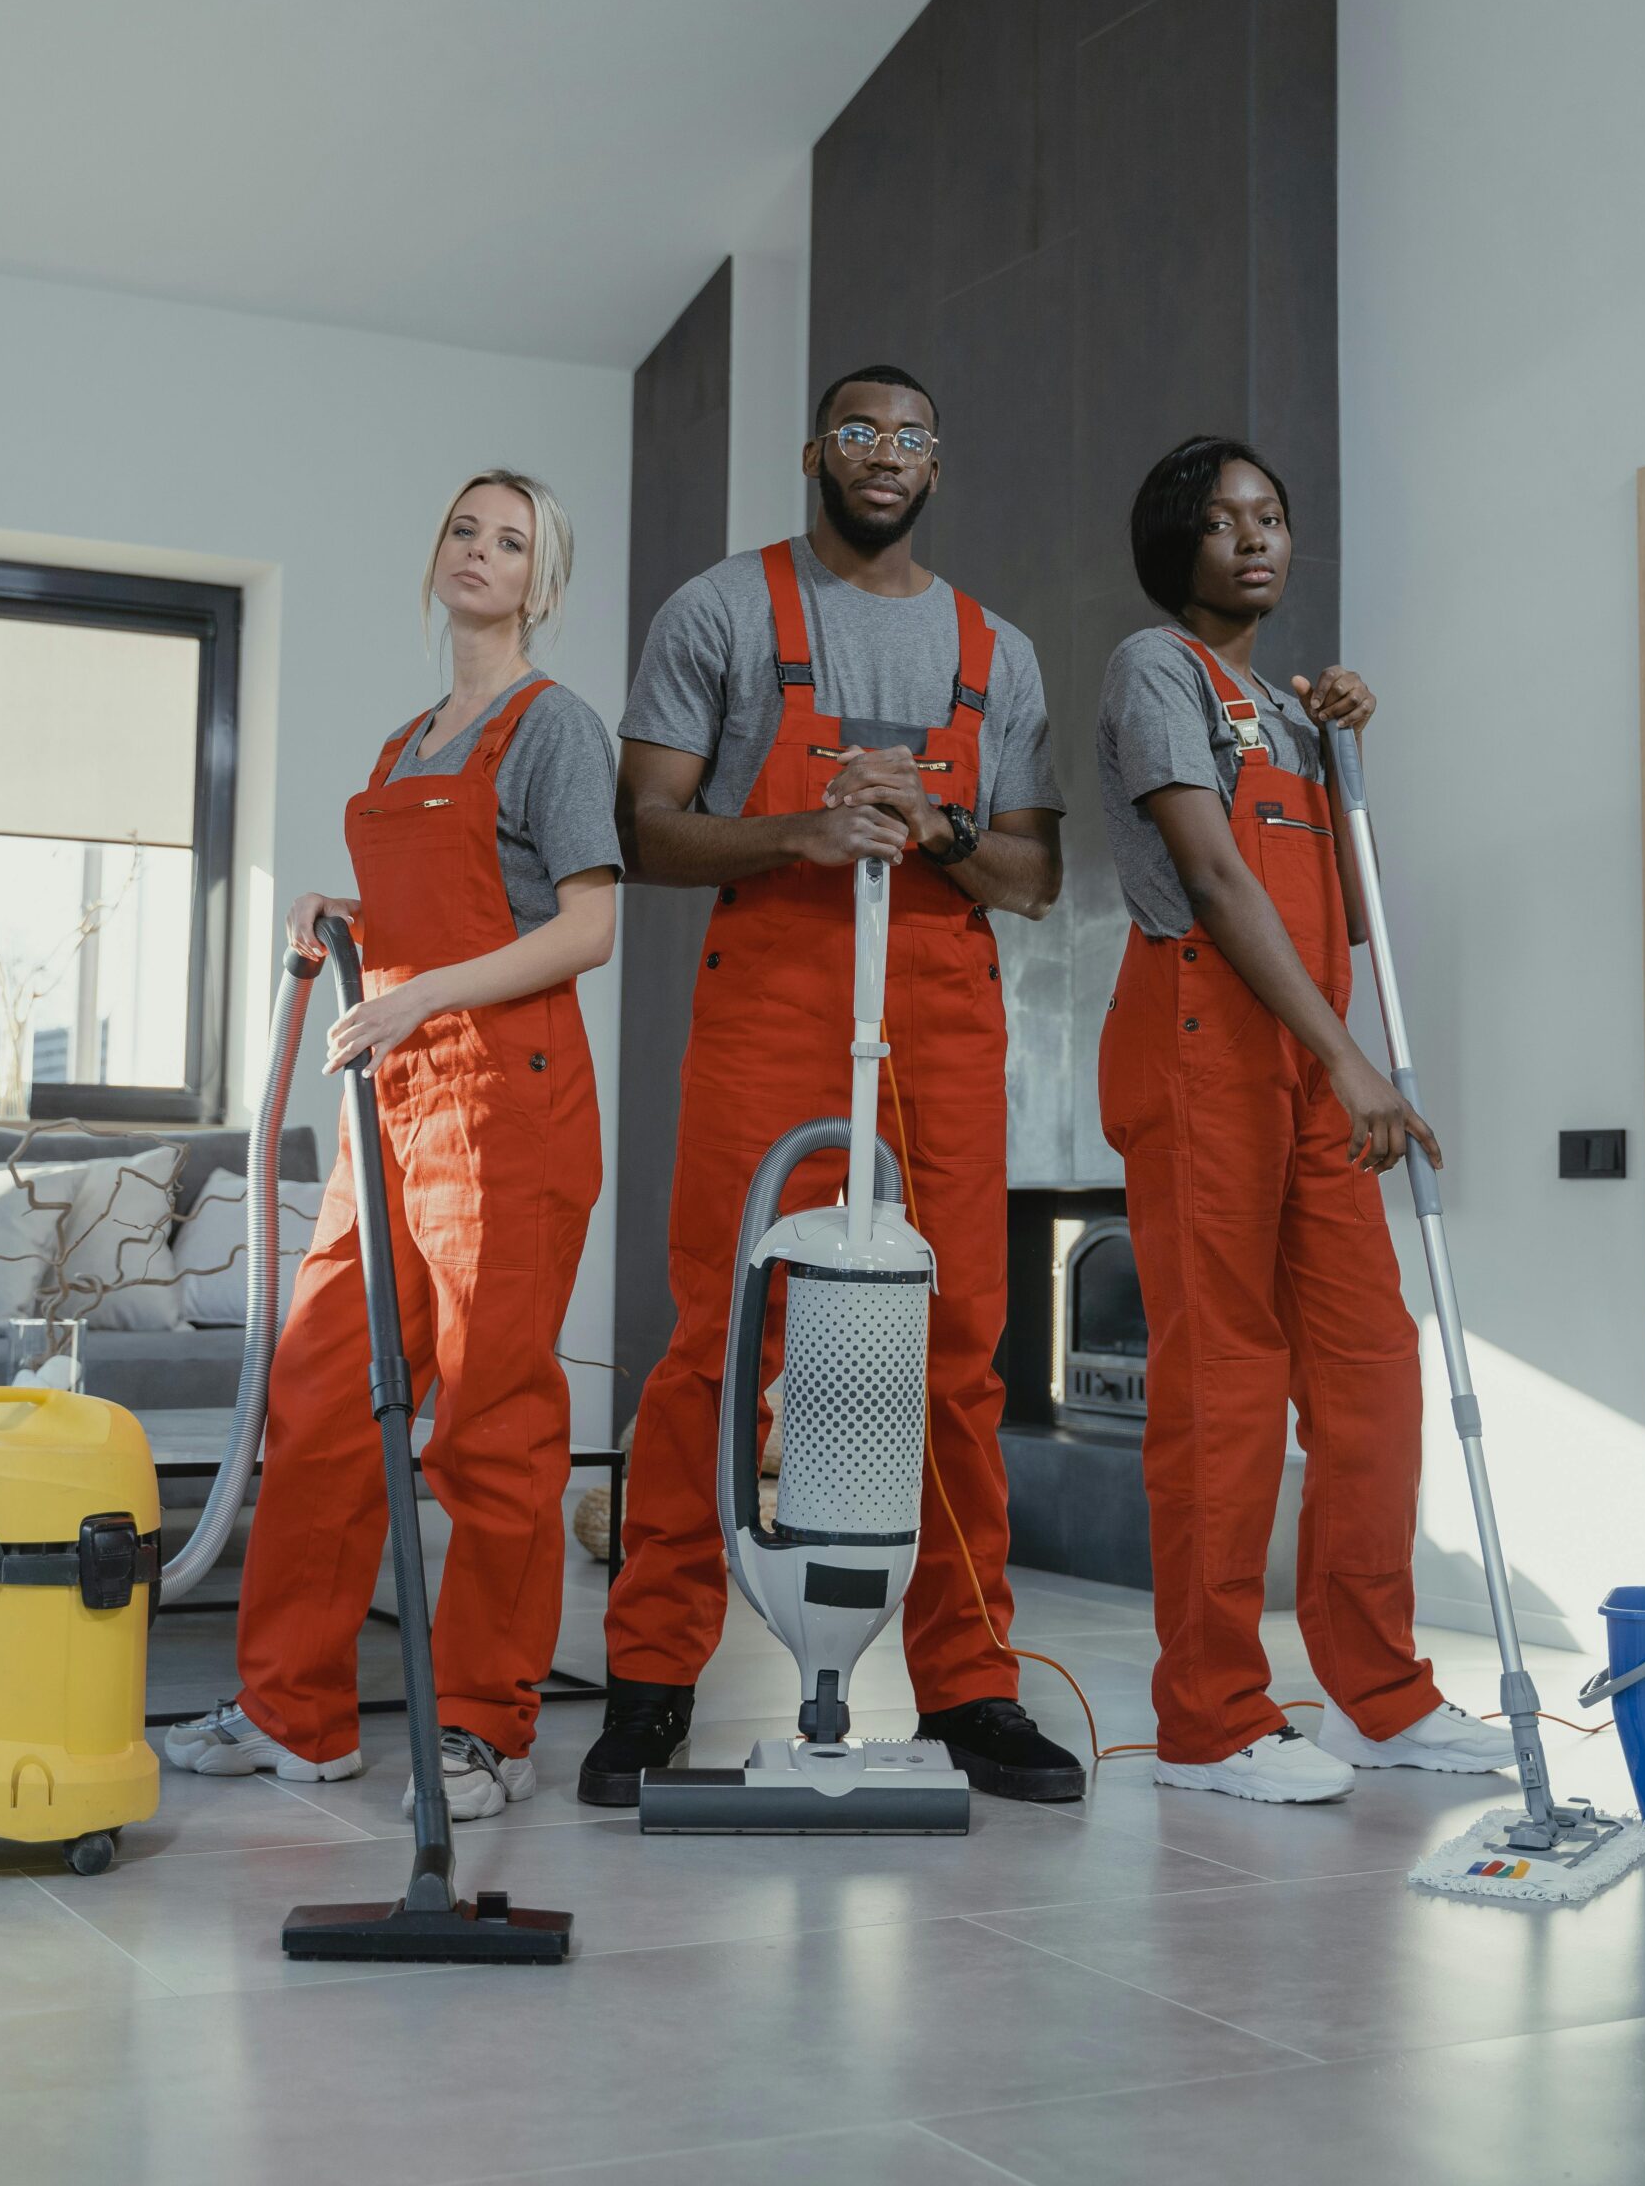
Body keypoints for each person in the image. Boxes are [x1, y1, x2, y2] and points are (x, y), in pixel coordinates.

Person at [579, 364, 1084, 1806]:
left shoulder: (1001, 649)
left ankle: (974, 1687)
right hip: (773, 997)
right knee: (716, 1336)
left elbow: (1037, 877)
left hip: (941, 1011)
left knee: (964, 1343)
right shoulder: (723, 611)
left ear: (939, 462)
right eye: (859, 431)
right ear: (816, 451)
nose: (885, 455)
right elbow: (650, 832)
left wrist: (936, 832)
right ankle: (653, 1682)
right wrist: (803, 830)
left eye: (912, 436)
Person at [167, 470, 619, 1820]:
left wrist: (418, 991)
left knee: (487, 1420)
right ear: (437, 558)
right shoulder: (408, 741)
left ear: (543, 582)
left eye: (512, 541)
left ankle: (488, 1726)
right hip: (393, 1097)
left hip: (504, 1100)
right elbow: (442, 910)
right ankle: (293, 1710)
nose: (481, 554)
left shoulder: (555, 729)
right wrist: (343, 912)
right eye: (465, 532)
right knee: (319, 1399)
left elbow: (586, 924)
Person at [1095, 435, 1513, 1801]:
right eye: (1224, 523)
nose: (1257, 540)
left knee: (1372, 1371)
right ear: (1179, 548)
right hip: (1202, 1041)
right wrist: (1353, 1062)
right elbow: (1216, 877)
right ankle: (1210, 1719)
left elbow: (1339, 895)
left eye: (1271, 518)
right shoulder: (1157, 670)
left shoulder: (1287, 703)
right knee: (1221, 1385)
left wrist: (1336, 745)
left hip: (1302, 1054)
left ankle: (1377, 1696)